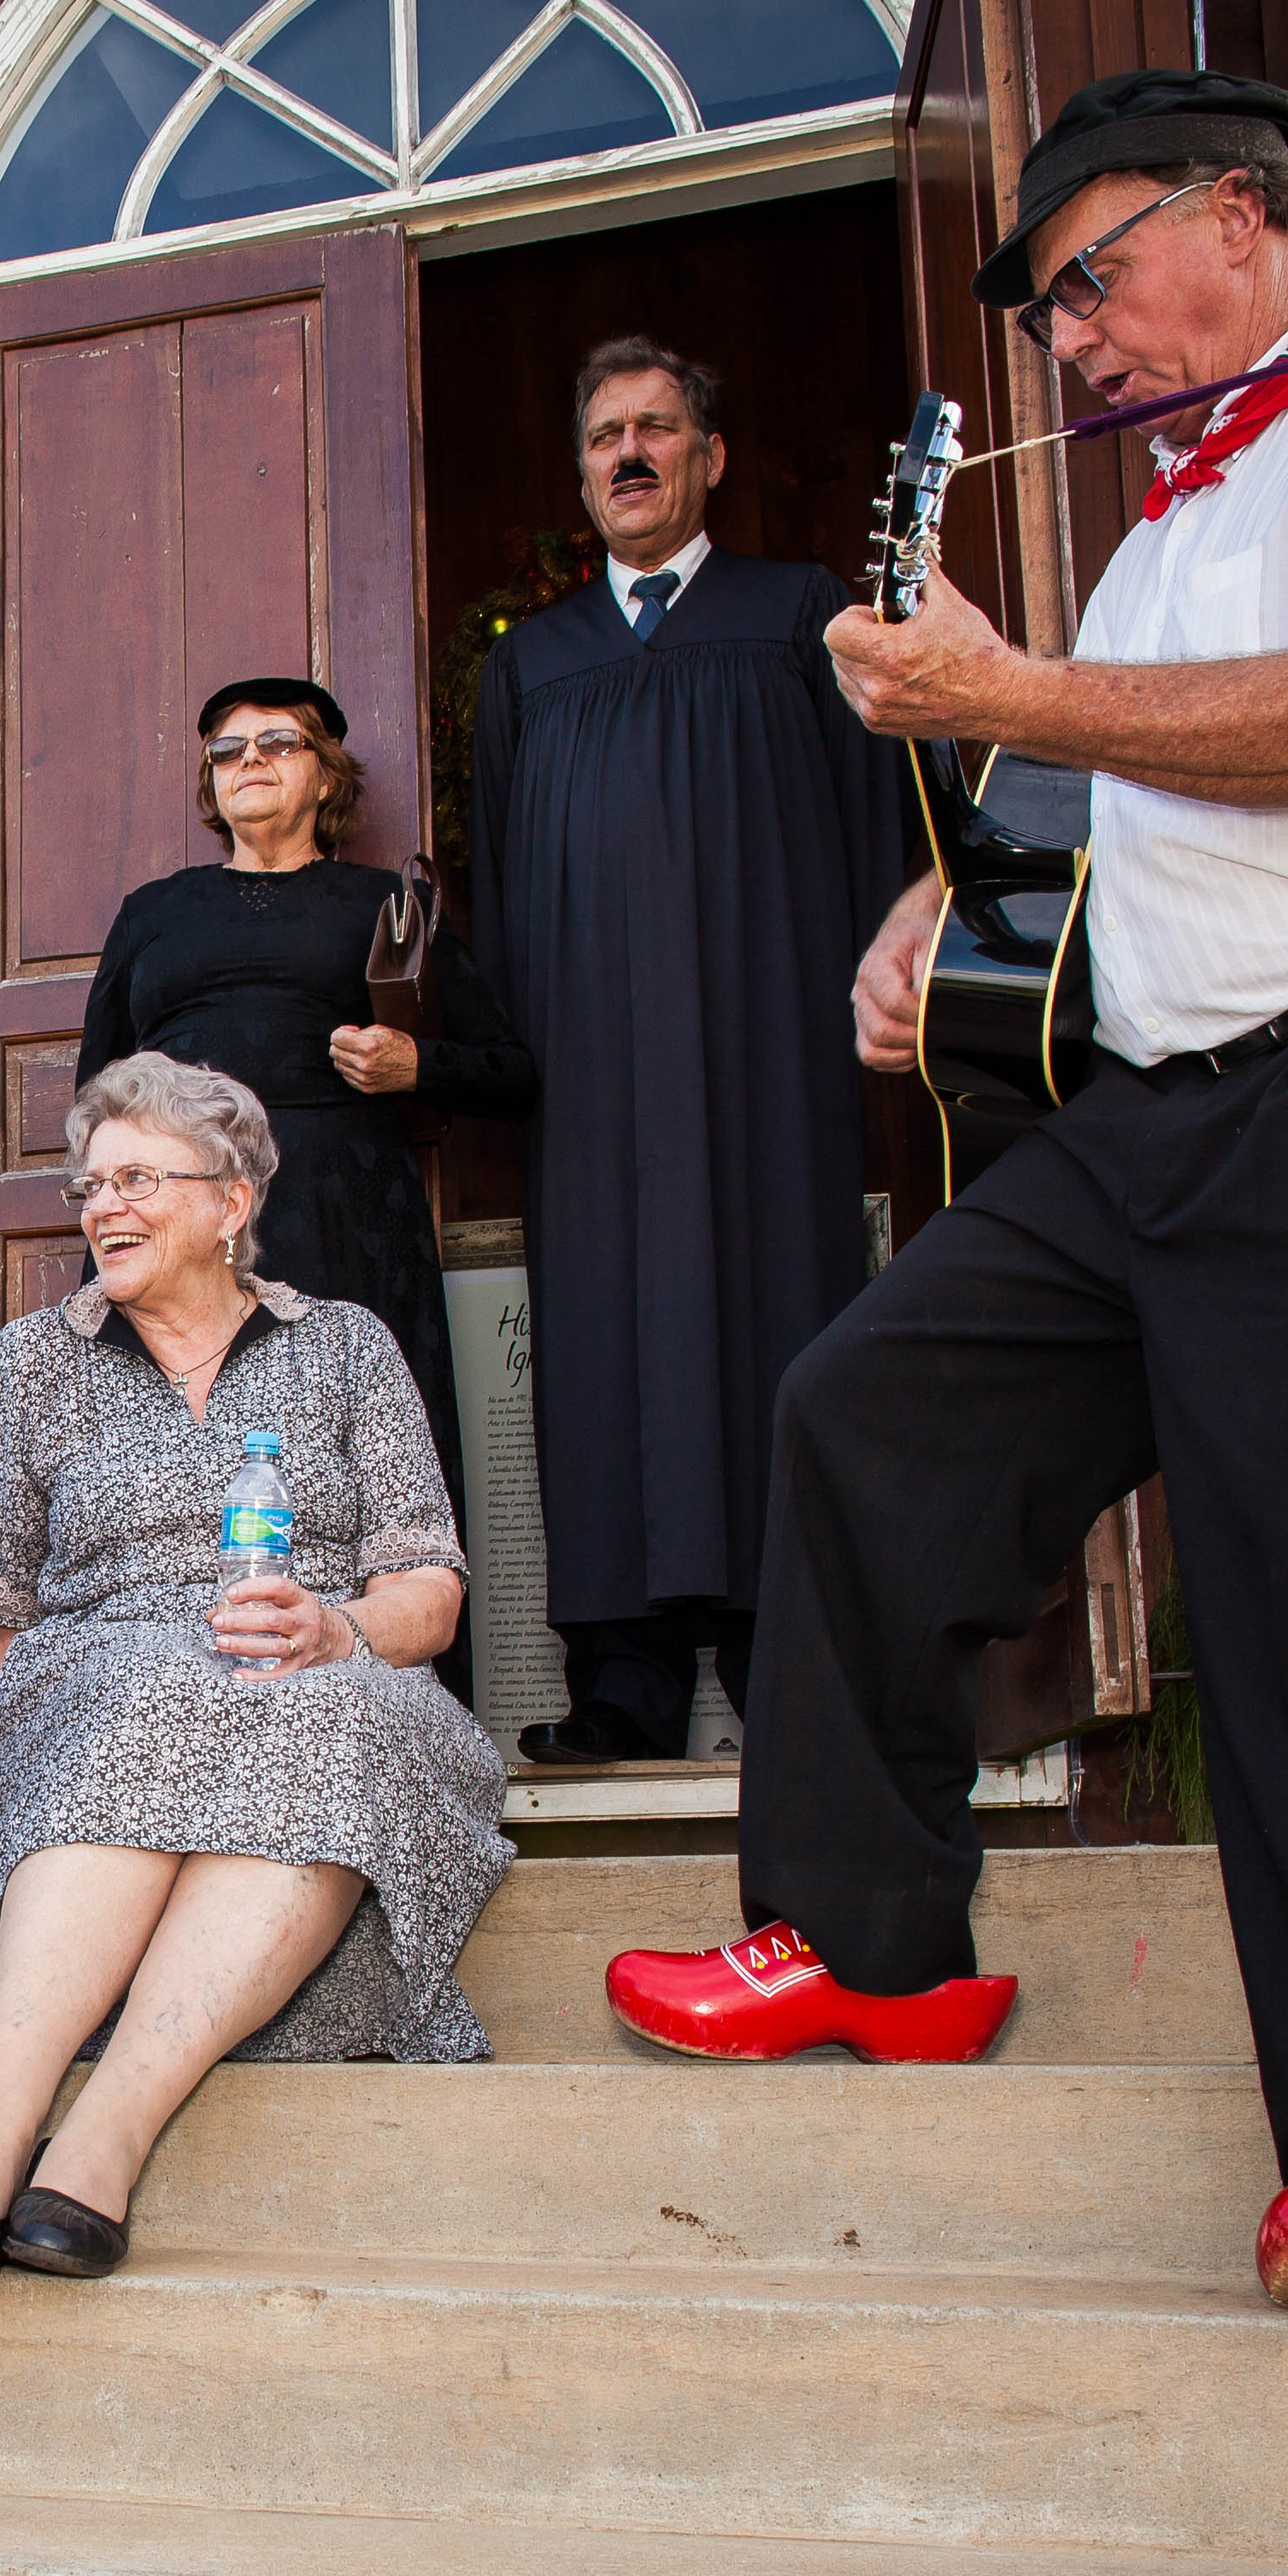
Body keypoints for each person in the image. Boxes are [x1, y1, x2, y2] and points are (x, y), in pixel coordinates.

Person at [607, 73, 1288, 2324]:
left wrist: (1014, 687)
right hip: (1172, 1099)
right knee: (870, 1409)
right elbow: (1101, 803)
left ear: (1240, 214)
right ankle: (871, 1945)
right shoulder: (1168, 533)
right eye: (1050, 317)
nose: (1070, 343)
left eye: (1088, 282)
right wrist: (942, 896)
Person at [0, 1055, 506, 2302]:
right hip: (103, 1669)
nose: (102, 1207)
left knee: (316, 1711)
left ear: (232, 1202)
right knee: (150, 1682)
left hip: (318, 1665)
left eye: (138, 1181)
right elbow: (5, 1611)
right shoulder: (35, 1362)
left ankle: (106, 2135)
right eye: (90, 1185)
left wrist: (337, 1629)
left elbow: (432, 1590)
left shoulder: (345, 1347)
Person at [469, 337, 919, 1765]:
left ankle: (790, 1665)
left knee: (779, 1318)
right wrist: (509, 1058)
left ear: (710, 457)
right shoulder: (532, 666)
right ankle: (627, 1681)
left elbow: (882, 828)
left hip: (765, 1054)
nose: (631, 453)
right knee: (602, 1351)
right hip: (589, 1079)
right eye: (606, 435)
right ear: (581, 475)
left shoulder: (799, 618)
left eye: (657, 428)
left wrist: (888, 994)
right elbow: (499, 889)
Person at [74, 681, 532, 1551]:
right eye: (227, 750)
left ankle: (377, 1628)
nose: (248, 760)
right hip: (174, 1207)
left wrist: (416, 1065)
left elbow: (512, 1074)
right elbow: (97, 1085)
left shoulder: (387, 905)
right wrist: (114, 1199)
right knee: (154, 1446)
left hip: (340, 1205)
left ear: (326, 777)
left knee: (359, 1451)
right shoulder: (153, 911)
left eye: (278, 743)